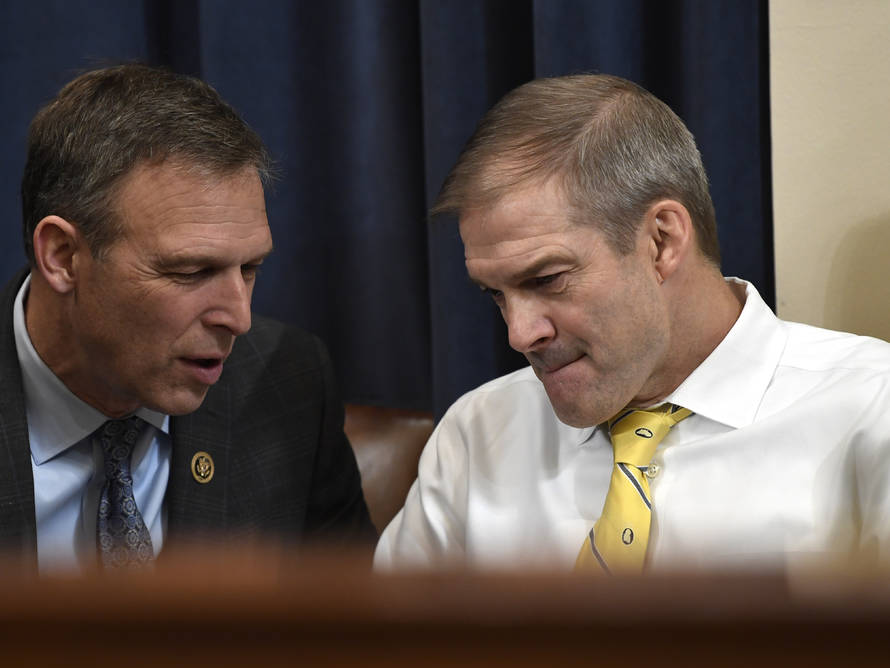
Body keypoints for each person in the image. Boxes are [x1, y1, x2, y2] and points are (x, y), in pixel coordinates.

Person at [0, 64, 374, 572]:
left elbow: (358, 648)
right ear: (63, 257)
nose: (239, 318)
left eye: (250, 268)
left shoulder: (287, 387)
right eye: (191, 271)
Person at [375, 74, 890, 574]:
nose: (518, 334)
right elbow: (387, 656)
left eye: (548, 279)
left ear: (661, 242)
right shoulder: (477, 432)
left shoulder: (871, 411)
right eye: (496, 295)